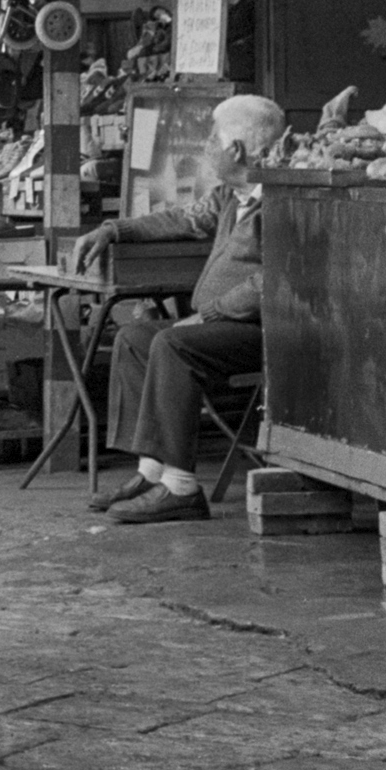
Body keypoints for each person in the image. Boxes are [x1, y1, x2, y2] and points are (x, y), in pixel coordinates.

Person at [78, 91, 288, 526]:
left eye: (213, 137)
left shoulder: (282, 202)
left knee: (174, 344)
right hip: (220, 326)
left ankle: (181, 488)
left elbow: (273, 280)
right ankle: (151, 472)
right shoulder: (232, 196)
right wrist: (114, 228)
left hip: (263, 330)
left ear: (236, 149)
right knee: (136, 339)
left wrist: (210, 315)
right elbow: (183, 218)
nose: (206, 145)